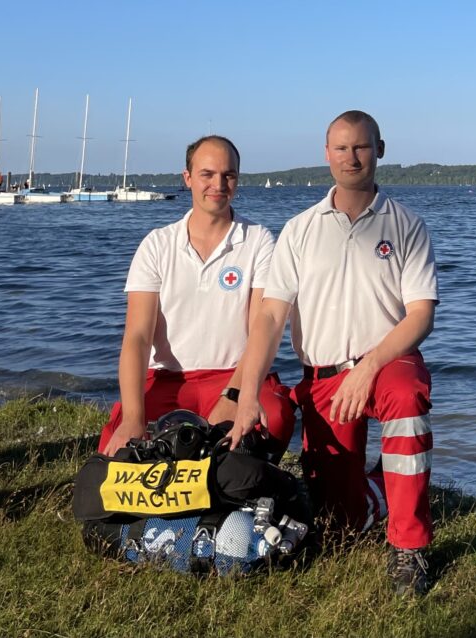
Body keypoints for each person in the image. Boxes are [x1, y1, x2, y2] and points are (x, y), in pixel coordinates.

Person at [234, 110, 438, 595]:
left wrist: (369, 366)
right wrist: (245, 394)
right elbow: (268, 317)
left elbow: (420, 315)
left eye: (362, 146)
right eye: (341, 147)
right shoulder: (300, 230)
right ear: (326, 154)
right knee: (340, 526)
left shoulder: (406, 225)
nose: (352, 157)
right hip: (323, 377)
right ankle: (384, 485)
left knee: (407, 400)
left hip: (388, 363)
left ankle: (409, 549)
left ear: (380, 150)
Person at [97, 135, 295, 460]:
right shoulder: (157, 245)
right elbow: (137, 336)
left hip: (234, 374)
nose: (218, 184)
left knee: (274, 416)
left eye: (228, 175)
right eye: (207, 174)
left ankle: (237, 488)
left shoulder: (258, 240)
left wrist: (233, 394)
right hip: (168, 380)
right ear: (187, 178)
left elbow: (262, 325)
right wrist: (133, 419)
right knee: (118, 452)